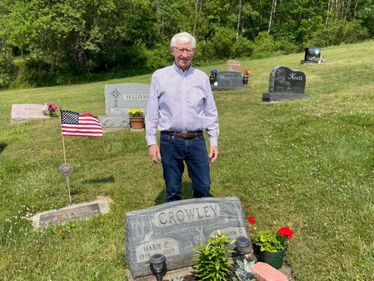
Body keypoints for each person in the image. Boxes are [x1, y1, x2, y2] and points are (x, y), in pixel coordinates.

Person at [145, 32, 219, 202]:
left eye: (189, 50)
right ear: (173, 51)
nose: (184, 55)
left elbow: (211, 111)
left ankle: (201, 220)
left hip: (196, 140)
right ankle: (176, 225)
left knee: (203, 185)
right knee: (172, 188)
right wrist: (151, 143)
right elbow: (151, 112)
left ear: (194, 52)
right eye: (180, 50)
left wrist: (213, 141)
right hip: (170, 141)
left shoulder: (201, 77)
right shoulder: (159, 76)